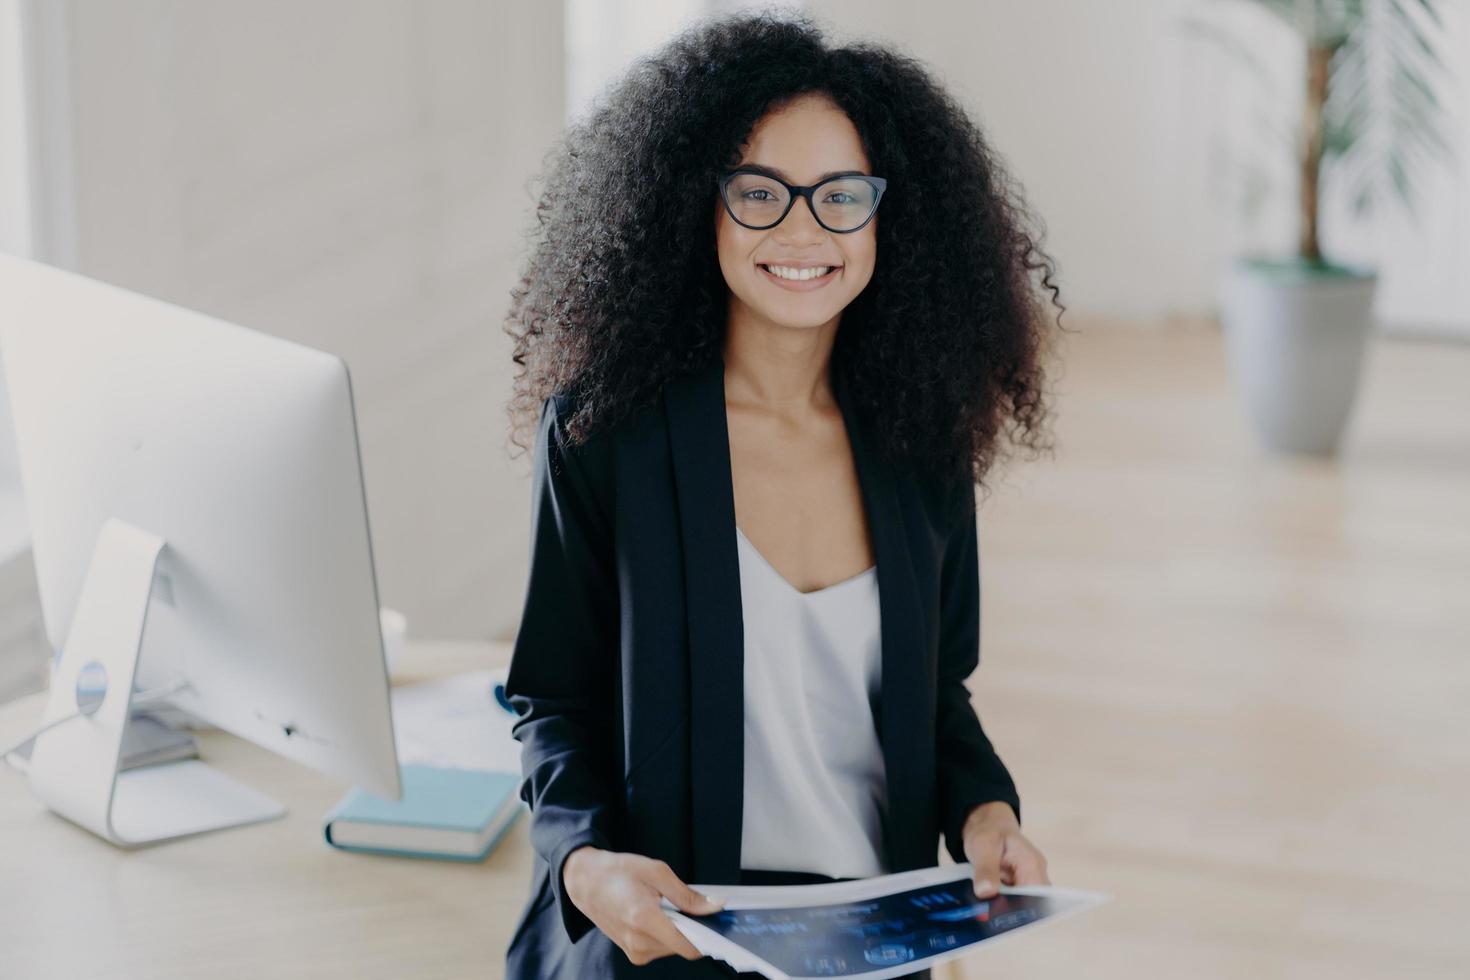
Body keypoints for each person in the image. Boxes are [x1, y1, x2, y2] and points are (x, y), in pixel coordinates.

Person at [500, 11, 1066, 978]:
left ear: (891, 215)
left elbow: (939, 696)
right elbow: (553, 699)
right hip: (665, 941)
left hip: (868, 942)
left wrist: (986, 812)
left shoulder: (923, 442)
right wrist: (587, 868)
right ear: (697, 202)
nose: (803, 230)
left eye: (841, 195)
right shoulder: (608, 436)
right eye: (759, 192)